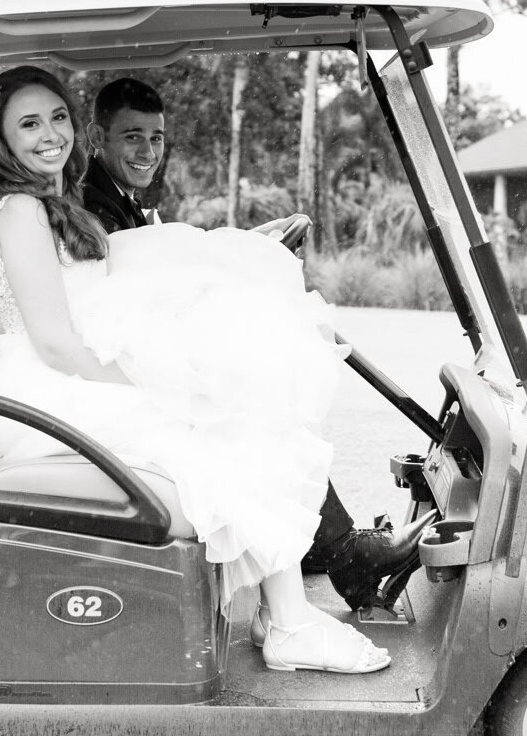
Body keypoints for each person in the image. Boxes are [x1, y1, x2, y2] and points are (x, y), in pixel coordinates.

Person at [0, 65, 391, 675]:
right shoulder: (22, 212)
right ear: (1, 139)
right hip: (44, 391)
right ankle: (289, 623)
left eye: (57, 117)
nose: (50, 133)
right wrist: (155, 385)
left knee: (236, 408)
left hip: (59, 375)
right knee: (220, 425)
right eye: (29, 123)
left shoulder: (47, 204)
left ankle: (282, 612)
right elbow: (55, 344)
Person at [82, 76, 428, 612]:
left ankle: (320, 544)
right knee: (257, 399)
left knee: (263, 378)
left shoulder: (120, 199)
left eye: (155, 137)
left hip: (140, 352)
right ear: (96, 138)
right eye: (132, 137)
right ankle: (342, 553)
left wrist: (250, 247)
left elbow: (169, 267)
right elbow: (139, 298)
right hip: (116, 373)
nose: (147, 151)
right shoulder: (93, 209)